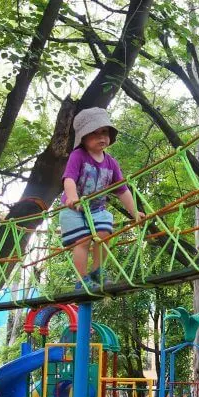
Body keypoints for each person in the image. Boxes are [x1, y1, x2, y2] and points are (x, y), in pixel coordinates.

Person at [60, 107, 143, 289]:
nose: (101, 137)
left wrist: (134, 212)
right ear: (83, 137)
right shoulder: (78, 155)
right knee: (82, 241)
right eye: (94, 133)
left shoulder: (111, 162)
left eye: (104, 132)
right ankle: (82, 280)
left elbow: (122, 190)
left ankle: (97, 271)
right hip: (73, 209)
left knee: (104, 234)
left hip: (97, 210)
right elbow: (69, 179)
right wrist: (72, 197)